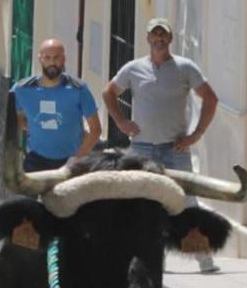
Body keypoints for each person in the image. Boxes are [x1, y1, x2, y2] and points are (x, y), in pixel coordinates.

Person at [103, 17, 221, 273]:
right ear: (148, 38)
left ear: (170, 39)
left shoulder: (185, 67)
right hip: (142, 148)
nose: (158, 39)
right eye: (154, 35)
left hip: (175, 149)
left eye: (163, 35)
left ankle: (204, 259)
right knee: (143, 204)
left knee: (187, 201)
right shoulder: (133, 69)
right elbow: (109, 93)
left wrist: (196, 134)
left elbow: (211, 99)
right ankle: (149, 258)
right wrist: (122, 123)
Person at [13, 38, 101, 172]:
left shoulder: (78, 89)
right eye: (47, 58)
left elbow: (95, 130)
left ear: (64, 59)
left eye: (56, 57)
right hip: (36, 161)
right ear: (40, 59)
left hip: (70, 161)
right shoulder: (22, 90)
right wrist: (35, 127)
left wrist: (77, 158)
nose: (52, 62)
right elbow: (16, 120)